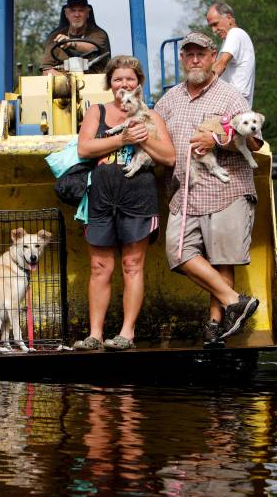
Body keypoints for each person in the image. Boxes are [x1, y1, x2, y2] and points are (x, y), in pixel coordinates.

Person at [153, 32, 263, 348]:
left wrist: (216, 140)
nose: (195, 59)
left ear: (213, 56)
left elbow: (254, 142)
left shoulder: (231, 97)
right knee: (178, 252)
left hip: (226, 189)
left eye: (200, 53)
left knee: (221, 258)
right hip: (184, 192)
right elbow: (154, 135)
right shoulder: (169, 99)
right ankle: (234, 301)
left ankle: (214, 328)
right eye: (189, 54)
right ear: (182, 59)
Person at [72, 56, 175, 351]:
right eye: (117, 79)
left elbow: (169, 157)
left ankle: (127, 334)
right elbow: (84, 148)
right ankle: (95, 334)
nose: (123, 84)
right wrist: (122, 139)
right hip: (103, 196)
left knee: (132, 264)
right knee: (99, 266)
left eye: (129, 79)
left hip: (138, 195)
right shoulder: (97, 111)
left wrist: (142, 140)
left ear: (139, 83)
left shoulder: (152, 116)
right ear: (110, 84)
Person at [41, 0, 111, 75]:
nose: (77, 15)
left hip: (95, 82)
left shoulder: (98, 34)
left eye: (81, 10)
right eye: (73, 11)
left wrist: (71, 43)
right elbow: (46, 68)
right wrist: (63, 80)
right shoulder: (55, 37)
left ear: (88, 13)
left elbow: (94, 48)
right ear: (66, 14)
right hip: (62, 84)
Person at [206, 1, 256, 106]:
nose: (214, 30)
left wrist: (198, 86)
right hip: (235, 106)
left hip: (233, 107)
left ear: (229, 18)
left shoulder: (235, 33)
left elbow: (221, 64)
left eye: (215, 24)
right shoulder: (235, 37)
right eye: (211, 26)